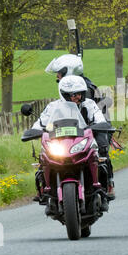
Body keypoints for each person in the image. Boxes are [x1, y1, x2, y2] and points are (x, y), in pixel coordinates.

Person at [32, 76, 114, 207]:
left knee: (99, 157)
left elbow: (99, 118)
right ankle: (43, 189)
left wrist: (101, 124)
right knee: (43, 158)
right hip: (60, 143)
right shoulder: (53, 107)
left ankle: (103, 188)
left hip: (82, 140)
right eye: (74, 94)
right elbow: (41, 122)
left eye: (80, 93)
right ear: (64, 95)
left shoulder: (90, 104)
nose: (78, 97)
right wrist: (34, 130)